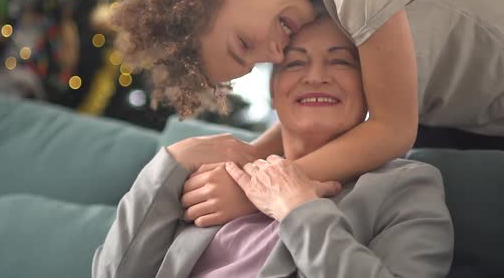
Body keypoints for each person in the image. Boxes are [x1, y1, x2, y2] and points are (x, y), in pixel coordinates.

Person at [113, 0, 504, 227]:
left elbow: (390, 127)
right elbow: (354, 94)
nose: (277, 57)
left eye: (244, 43)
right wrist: (249, 163)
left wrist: (260, 190)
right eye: (256, 61)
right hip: (456, 112)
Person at [92, 15, 454, 278]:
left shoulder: (407, 187)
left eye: (340, 61)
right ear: (272, 92)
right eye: (295, 62)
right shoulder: (220, 179)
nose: (315, 76)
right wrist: (174, 159)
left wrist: (298, 210)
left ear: (370, 87)